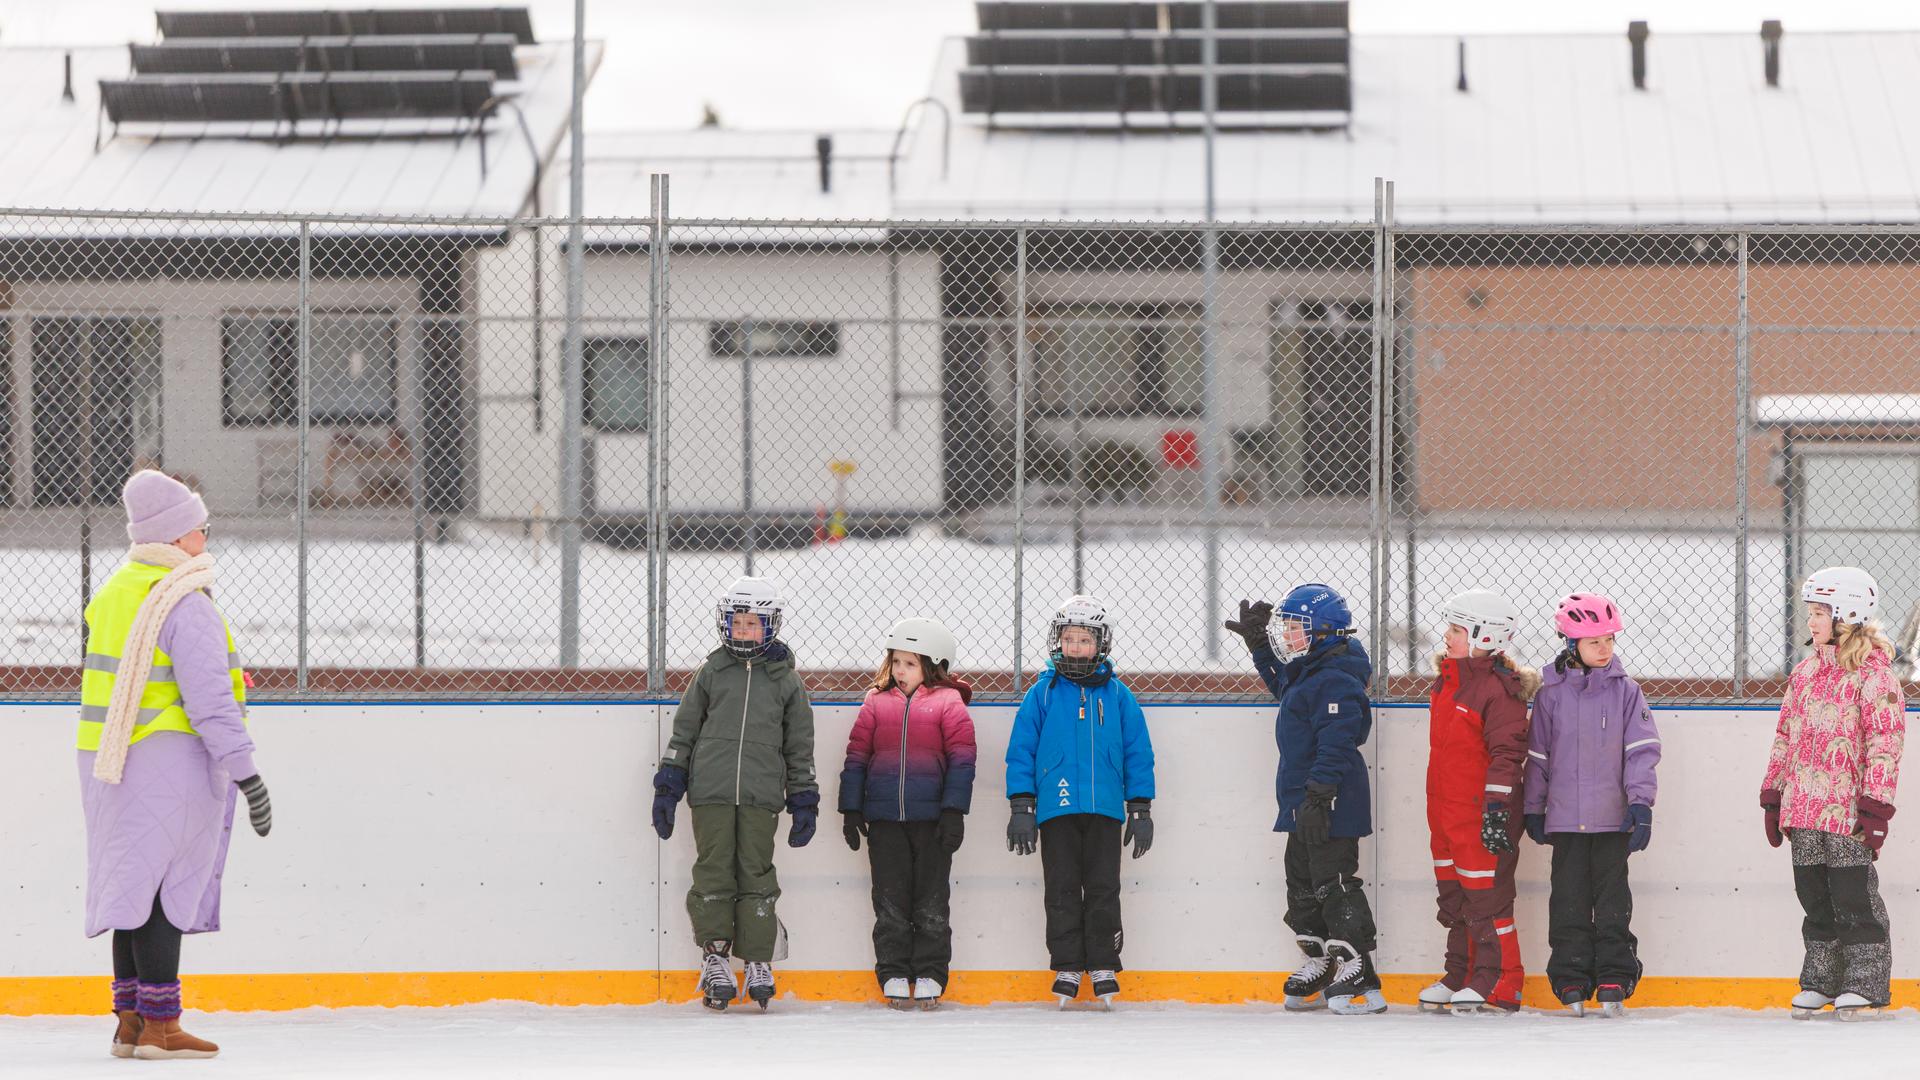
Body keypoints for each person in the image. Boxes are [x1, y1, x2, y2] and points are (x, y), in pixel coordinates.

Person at [79, 469, 272, 1060]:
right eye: (201, 529)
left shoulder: (115, 592)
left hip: (107, 761)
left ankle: (130, 1023)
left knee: (129, 887)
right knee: (164, 889)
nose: (206, 541)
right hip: (170, 760)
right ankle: (163, 1025)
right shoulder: (184, 604)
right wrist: (247, 774)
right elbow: (209, 702)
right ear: (179, 535)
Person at [652, 576, 818, 1011]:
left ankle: (759, 960)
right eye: (737, 623)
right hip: (712, 792)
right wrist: (670, 782)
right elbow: (685, 731)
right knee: (713, 872)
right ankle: (715, 957)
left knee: (757, 875)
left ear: (770, 625)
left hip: (762, 795)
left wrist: (804, 797)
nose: (744, 631)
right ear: (725, 624)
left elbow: (799, 747)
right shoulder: (711, 672)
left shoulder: (787, 682)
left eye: (752, 623)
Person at [1226, 583, 1384, 1015]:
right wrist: (1260, 647)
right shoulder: (1309, 672)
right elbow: (1285, 688)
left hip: (1329, 799)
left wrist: (1320, 797)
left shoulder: (1336, 679)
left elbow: (1337, 742)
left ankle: (1357, 968)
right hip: (1302, 802)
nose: (1287, 637)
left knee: (1333, 881)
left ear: (1324, 632)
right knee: (1301, 880)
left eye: (1295, 629)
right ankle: (1318, 957)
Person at [1762, 567, 1905, 1020]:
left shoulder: (1874, 676)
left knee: (1853, 897)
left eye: (1820, 613)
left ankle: (1865, 983)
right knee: (1814, 898)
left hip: (1846, 813)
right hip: (1803, 807)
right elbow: (1785, 734)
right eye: (1810, 613)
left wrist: (1876, 806)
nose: (1812, 621)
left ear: (1847, 615)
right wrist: (1773, 794)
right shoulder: (1806, 672)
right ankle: (1821, 980)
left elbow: (1886, 743)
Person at [1004, 595, 1155, 1008]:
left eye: (1084, 640)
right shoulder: (1042, 694)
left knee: (1104, 887)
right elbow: (1022, 750)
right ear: (1057, 641)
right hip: (1057, 809)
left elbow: (1137, 752)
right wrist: (1022, 805)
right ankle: (1068, 962)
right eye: (1068, 639)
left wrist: (1139, 808)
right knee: (1063, 888)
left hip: (1105, 810)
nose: (1075, 647)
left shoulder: (1119, 695)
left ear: (1100, 644)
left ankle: (1103, 961)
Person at [1522, 593, 1660, 1017]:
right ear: (1571, 645)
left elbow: (1642, 750)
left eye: (1610, 641)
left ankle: (1615, 974)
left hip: (1611, 821)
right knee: (1567, 902)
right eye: (1595, 642)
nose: (1606, 649)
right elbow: (1539, 756)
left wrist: (1641, 804)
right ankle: (1570, 976)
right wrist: (1534, 806)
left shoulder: (1626, 692)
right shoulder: (1550, 696)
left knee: (1613, 902)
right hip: (1565, 821)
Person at [839, 617, 977, 1009]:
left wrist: (954, 812)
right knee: (890, 901)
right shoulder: (876, 702)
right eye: (896, 661)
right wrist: (851, 808)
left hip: (932, 820)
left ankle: (931, 972)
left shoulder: (949, 704)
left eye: (911, 663)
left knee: (932, 902)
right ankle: (894, 971)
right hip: (884, 820)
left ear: (935, 666)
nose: (900, 671)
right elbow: (857, 755)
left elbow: (962, 760)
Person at [1422, 589, 1538, 1015]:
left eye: (1456, 630)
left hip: (1481, 815)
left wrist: (1497, 810)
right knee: (1455, 896)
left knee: (1487, 897)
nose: (1447, 636)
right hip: (1446, 814)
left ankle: (1501, 981)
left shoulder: (1498, 691)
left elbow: (1508, 756)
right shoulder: (1448, 683)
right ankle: (1461, 973)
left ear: (1484, 637)